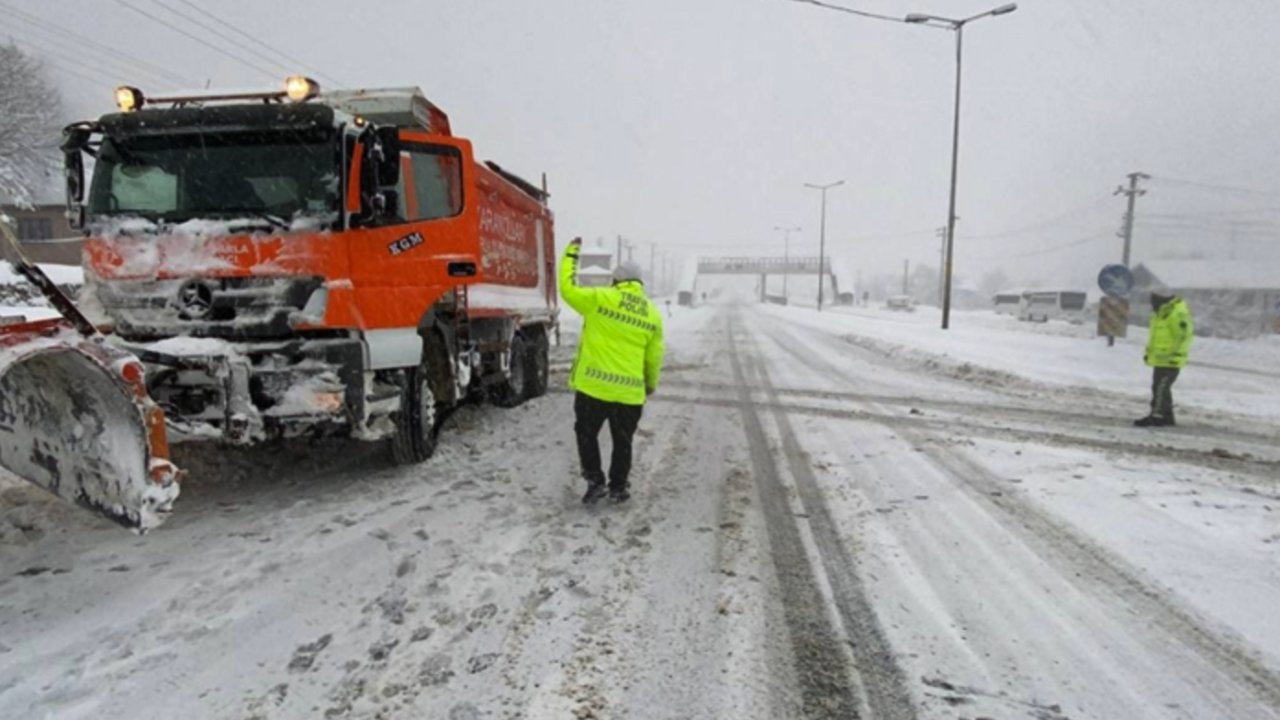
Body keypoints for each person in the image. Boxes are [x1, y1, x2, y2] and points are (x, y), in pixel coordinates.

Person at [559, 238, 665, 503]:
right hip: (630, 393)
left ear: (615, 281)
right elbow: (654, 357)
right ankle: (619, 487)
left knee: (586, 433)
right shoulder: (652, 314)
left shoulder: (599, 299)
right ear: (640, 284)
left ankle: (595, 481)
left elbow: (567, 288)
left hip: (594, 388)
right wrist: (649, 384)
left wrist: (572, 255)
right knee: (623, 440)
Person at [1135, 288, 1193, 427]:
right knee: (1159, 386)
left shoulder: (1176, 313)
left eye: (1153, 300)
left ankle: (1158, 415)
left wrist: (1175, 353)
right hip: (1161, 359)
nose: (1151, 304)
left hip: (1170, 360)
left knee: (1161, 387)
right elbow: (1157, 338)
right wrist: (1150, 354)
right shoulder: (1162, 314)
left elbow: (1183, 335)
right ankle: (1166, 416)